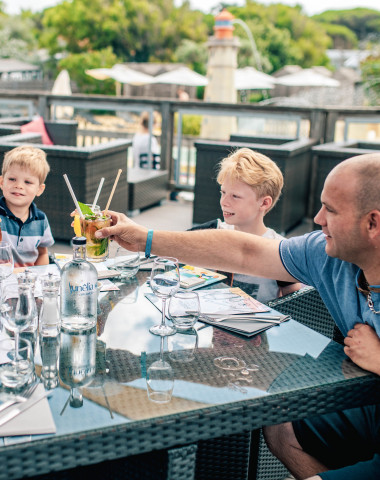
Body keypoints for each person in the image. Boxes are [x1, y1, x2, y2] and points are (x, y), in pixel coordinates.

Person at [95, 152, 380, 479]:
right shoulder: (328, 254)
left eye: (330, 210)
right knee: (280, 422)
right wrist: (145, 238)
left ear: (372, 223)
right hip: (368, 404)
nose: (317, 219)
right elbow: (244, 250)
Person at [190, 147, 302, 302]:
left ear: (264, 203)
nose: (224, 202)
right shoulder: (212, 231)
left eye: (235, 196)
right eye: (223, 193)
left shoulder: (278, 250)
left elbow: (295, 301)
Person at [0, 145, 54, 267]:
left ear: (39, 189)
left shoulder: (41, 219)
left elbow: (42, 253)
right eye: (12, 179)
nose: (18, 185)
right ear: (2, 183)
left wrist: (40, 276)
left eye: (27, 182)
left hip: (27, 282)